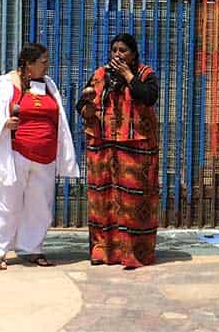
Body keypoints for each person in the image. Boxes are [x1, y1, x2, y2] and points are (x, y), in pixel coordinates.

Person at [0, 43, 80, 270]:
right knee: (7, 203)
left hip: (45, 157)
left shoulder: (48, 85)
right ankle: (0, 253)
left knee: (40, 205)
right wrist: (3, 122)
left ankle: (33, 249)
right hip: (15, 154)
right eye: (43, 61)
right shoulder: (6, 83)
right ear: (28, 64)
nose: (47, 65)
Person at [77, 33, 160, 268]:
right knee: (102, 200)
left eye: (123, 50)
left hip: (135, 150)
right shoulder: (100, 74)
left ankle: (134, 253)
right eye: (114, 50)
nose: (117, 55)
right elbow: (81, 104)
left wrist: (127, 76)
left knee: (133, 202)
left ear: (133, 54)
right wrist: (87, 105)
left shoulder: (145, 74)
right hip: (103, 148)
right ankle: (103, 251)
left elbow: (149, 97)